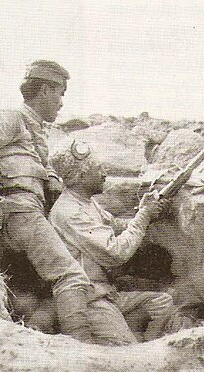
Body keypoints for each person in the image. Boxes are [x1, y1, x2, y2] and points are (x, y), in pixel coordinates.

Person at [0, 60, 98, 343]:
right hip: (21, 213)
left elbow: (34, 167)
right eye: (60, 93)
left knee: (40, 294)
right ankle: (83, 349)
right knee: (73, 278)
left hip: (27, 215)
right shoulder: (12, 119)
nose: (62, 102)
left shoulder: (34, 131)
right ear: (44, 90)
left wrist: (52, 178)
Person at [49, 140, 175, 341]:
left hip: (107, 293)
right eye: (99, 169)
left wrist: (144, 211)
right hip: (90, 300)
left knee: (162, 304)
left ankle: (136, 343)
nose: (104, 174)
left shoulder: (86, 203)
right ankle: (128, 347)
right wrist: (143, 216)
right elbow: (115, 253)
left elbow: (116, 225)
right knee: (127, 352)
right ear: (81, 176)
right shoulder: (69, 212)